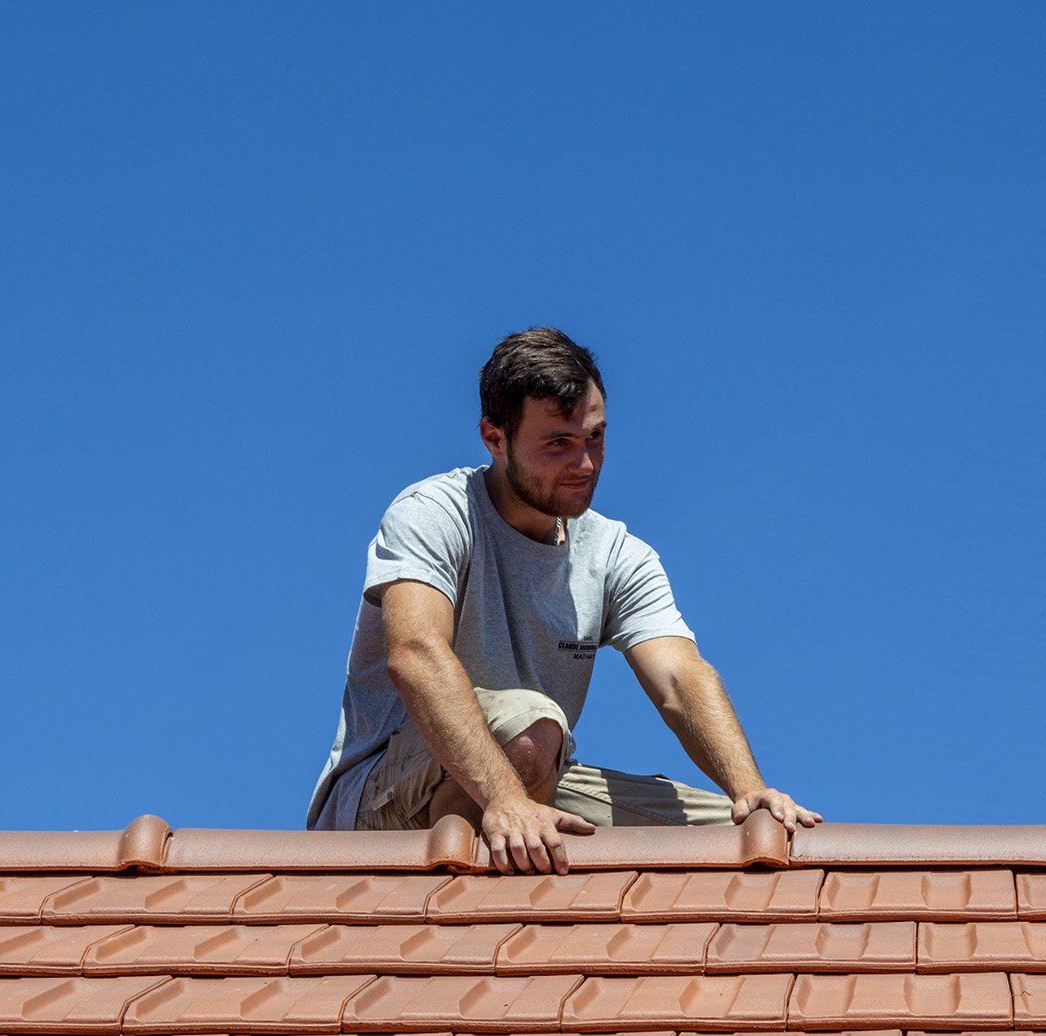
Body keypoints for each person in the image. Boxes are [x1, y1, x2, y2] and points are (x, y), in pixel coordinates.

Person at [307, 327, 822, 874]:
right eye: (557, 444)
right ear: (494, 438)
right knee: (532, 725)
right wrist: (505, 798)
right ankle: (488, 886)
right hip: (381, 800)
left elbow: (679, 678)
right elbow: (415, 653)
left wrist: (749, 790)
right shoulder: (434, 513)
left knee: (740, 840)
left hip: (530, 773)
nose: (585, 464)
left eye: (594, 438)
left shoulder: (614, 552)